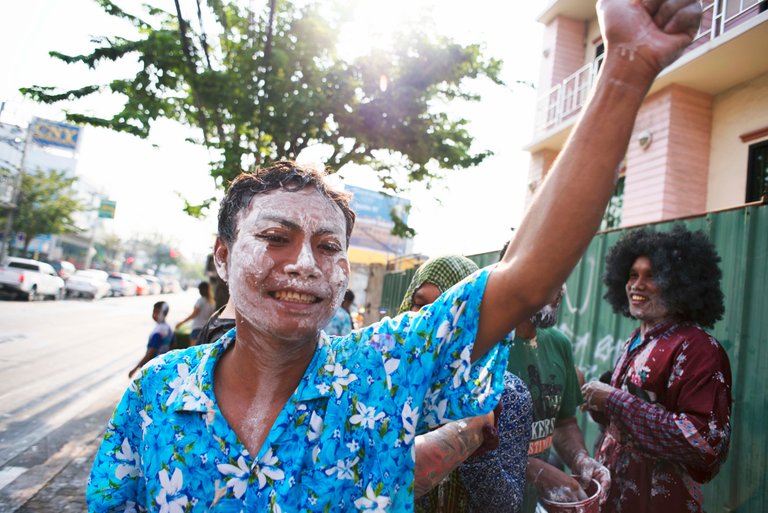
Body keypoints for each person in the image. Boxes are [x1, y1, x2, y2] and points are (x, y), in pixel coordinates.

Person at [87, 2, 703, 510]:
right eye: (275, 238)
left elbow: (523, 281)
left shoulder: (381, 372)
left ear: (344, 271)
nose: (304, 262)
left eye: (328, 247)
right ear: (222, 256)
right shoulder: (155, 396)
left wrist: (623, 69)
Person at [581, 226, 732, 513]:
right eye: (632, 275)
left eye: (651, 276)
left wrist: (613, 400)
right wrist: (598, 405)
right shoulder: (635, 340)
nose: (636, 285)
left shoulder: (698, 348)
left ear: (679, 283)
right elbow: (637, 419)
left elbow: (704, 445)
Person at [403, 256, 532, 513]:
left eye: (450, 305)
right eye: (421, 304)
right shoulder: (387, 385)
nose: (431, 318)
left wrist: (475, 451)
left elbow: (505, 506)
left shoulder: (504, 394)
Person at [502, 277, 609, 511]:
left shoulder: (559, 344)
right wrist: (539, 472)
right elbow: (468, 443)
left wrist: (580, 458)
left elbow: (564, 423)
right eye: (550, 272)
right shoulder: (486, 345)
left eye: (562, 277)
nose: (560, 288)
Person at [128, 301, 173, 378]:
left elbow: (152, 351)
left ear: (163, 313)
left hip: (154, 366)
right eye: (154, 312)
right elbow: (173, 345)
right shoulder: (168, 327)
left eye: (157, 312)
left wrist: (135, 369)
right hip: (164, 364)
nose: (154, 314)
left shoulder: (159, 330)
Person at [175, 281, 216, 345]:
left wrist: (181, 323)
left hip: (197, 329)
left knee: (193, 351)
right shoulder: (212, 303)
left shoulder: (200, 301)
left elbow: (193, 315)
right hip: (206, 329)